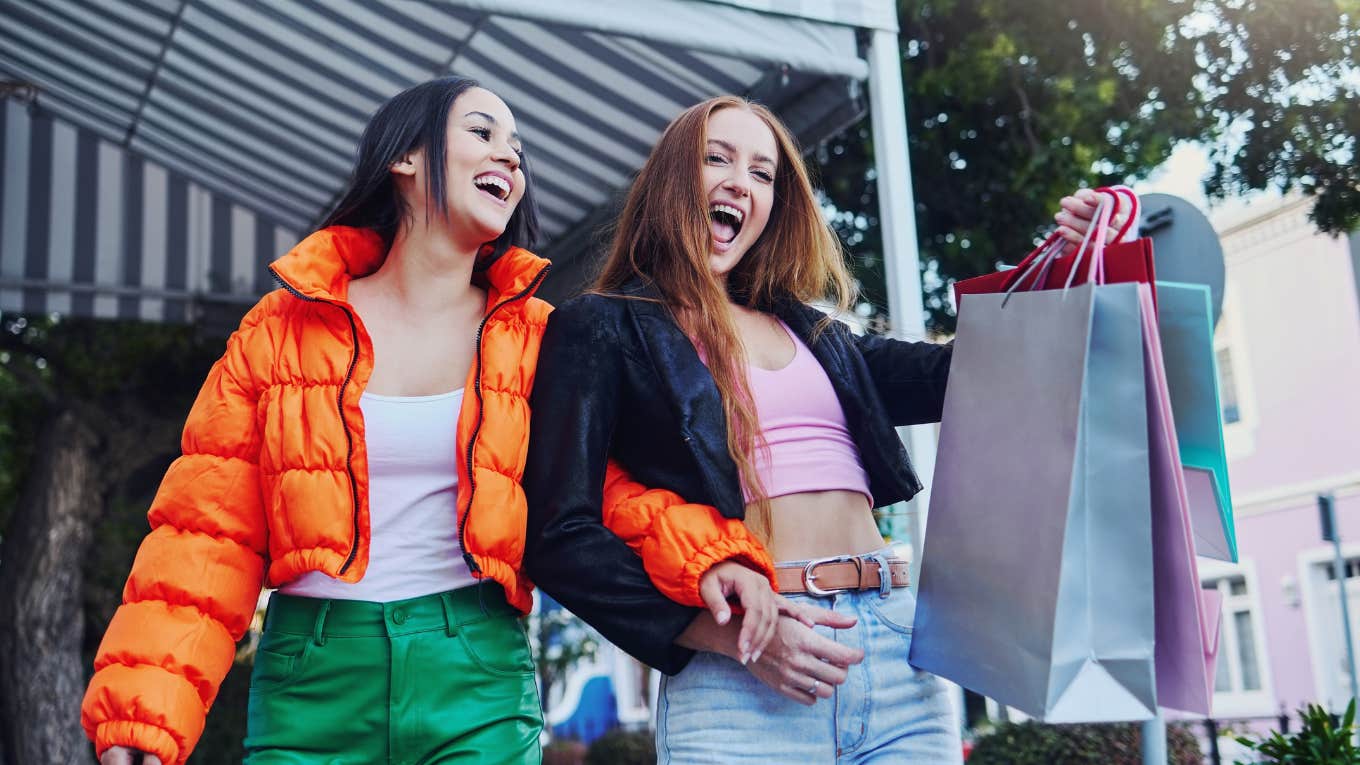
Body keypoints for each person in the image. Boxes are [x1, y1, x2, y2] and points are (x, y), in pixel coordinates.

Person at [80, 78, 791, 765]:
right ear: (405, 158)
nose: (510, 155)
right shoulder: (284, 327)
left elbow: (602, 485)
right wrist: (146, 705)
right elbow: (206, 534)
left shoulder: (541, 337)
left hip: (476, 668)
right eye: (482, 132)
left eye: (518, 147)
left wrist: (711, 553)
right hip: (312, 678)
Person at [522, 95, 1123, 763]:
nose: (738, 182)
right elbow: (557, 532)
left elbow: (964, 374)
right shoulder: (601, 326)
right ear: (669, 180)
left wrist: (1067, 264)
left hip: (893, 648)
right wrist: (718, 632)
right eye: (715, 158)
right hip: (743, 669)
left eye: (762, 173)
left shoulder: (813, 332)